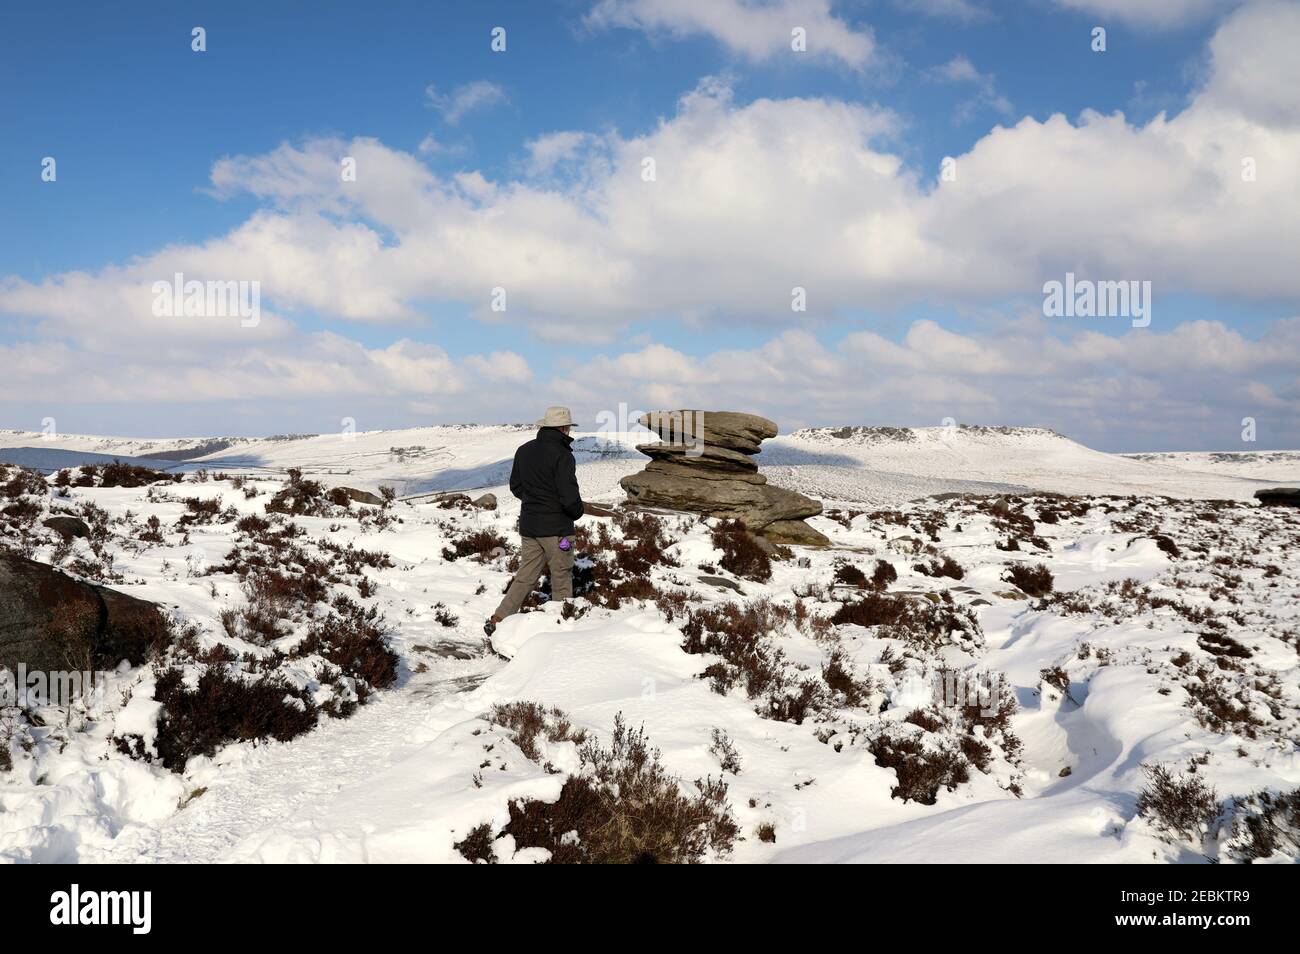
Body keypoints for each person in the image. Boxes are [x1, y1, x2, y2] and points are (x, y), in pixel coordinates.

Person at [483, 406, 585, 638]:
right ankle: (564, 630)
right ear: (563, 428)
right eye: (568, 427)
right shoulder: (563, 455)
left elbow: (516, 486)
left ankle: (498, 619)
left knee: (526, 576)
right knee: (561, 575)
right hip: (558, 530)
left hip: (530, 527)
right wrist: (576, 512)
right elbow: (569, 495)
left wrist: (535, 502)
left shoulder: (524, 450)